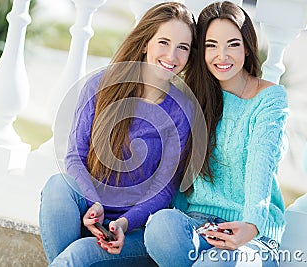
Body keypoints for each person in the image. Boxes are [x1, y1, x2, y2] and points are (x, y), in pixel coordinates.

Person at [39, 2, 201, 266]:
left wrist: (124, 223)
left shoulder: (183, 111)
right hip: (89, 209)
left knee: (76, 257)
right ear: (145, 41)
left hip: (134, 230)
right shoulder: (101, 86)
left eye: (182, 47)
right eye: (164, 42)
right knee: (58, 186)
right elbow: (75, 156)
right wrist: (94, 205)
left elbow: (165, 189)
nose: (172, 56)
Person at [144, 1, 289, 266]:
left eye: (232, 44)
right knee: (160, 227)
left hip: (252, 236)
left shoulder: (270, 99)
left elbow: (262, 161)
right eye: (211, 45)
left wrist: (252, 224)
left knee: (215, 262)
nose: (222, 56)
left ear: (247, 46)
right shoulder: (194, 95)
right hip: (198, 226)